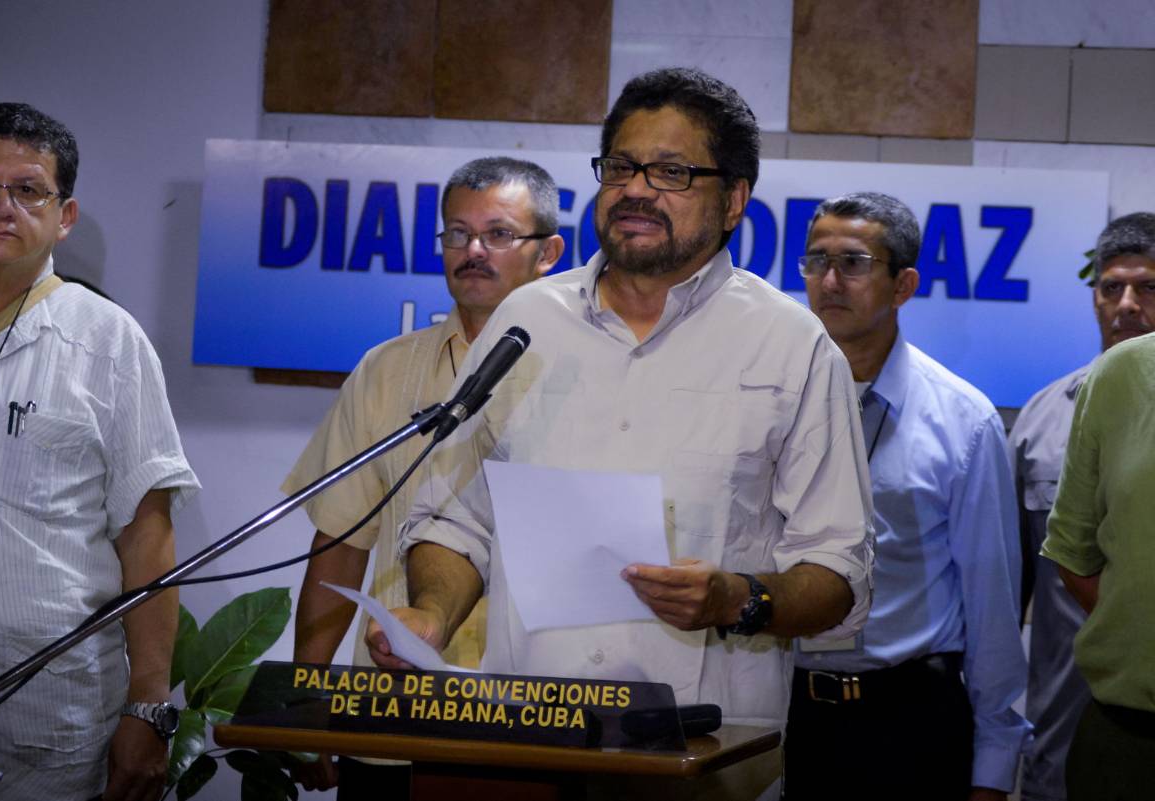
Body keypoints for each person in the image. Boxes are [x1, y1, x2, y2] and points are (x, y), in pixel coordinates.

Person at [367, 68, 875, 797]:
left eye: (671, 171)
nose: (636, 189)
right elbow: (454, 518)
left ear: (734, 200)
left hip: (703, 758)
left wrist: (735, 599)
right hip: (527, 744)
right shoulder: (526, 323)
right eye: (621, 167)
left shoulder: (792, 346)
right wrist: (432, 613)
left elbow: (838, 571)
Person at [281, 157, 563, 794]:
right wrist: (308, 694)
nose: (473, 251)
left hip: (530, 710)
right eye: (458, 233)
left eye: (498, 234)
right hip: (391, 706)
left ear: (548, 252)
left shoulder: (581, 373)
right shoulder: (384, 371)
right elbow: (339, 545)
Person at [0, 103, 197, 800]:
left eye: (27, 190)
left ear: (65, 216)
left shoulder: (110, 344)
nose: (0, 205)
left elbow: (148, 538)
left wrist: (149, 707)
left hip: (49, 713)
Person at [788, 192, 1029, 800]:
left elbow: (992, 603)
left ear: (904, 285)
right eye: (816, 261)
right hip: (782, 710)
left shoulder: (963, 420)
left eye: (853, 263)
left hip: (907, 715)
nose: (830, 281)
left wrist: (993, 768)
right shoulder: (767, 400)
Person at [1010, 211, 1155, 801]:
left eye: (1148, 287)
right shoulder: (1037, 422)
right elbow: (1010, 588)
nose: (1127, 305)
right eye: (1111, 287)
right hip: (1061, 721)